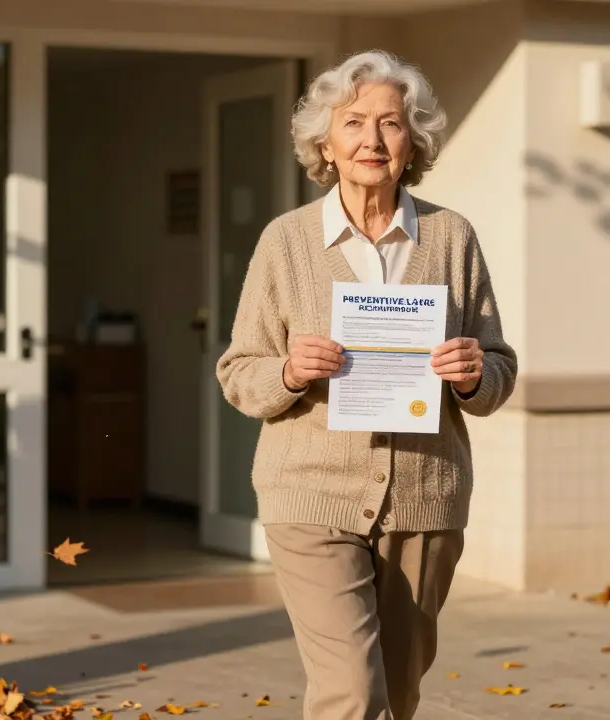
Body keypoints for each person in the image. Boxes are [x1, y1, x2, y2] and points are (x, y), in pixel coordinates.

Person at [216, 49, 518, 720]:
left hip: (423, 498)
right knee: (352, 692)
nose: (372, 140)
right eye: (353, 123)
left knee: (398, 692)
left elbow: (499, 370)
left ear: (413, 143)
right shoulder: (286, 243)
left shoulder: (450, 238)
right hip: (311, 492)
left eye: (390, 123)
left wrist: (475, 374)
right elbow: (239, 371)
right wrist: (291, 372)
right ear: (325, 140)